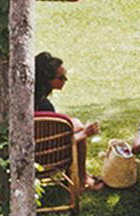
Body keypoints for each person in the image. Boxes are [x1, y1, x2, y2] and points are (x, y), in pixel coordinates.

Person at [34, 52, 103, 190]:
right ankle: (81, 179)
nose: (65, 80)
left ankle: (81, 175)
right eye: (61, 77)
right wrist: (84, 134)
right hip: (43, 158)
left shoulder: (31, 100)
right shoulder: (43, 108)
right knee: (78, 128)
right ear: (47, 79)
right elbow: (52, 143)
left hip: (35, 150)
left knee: (76, 124)